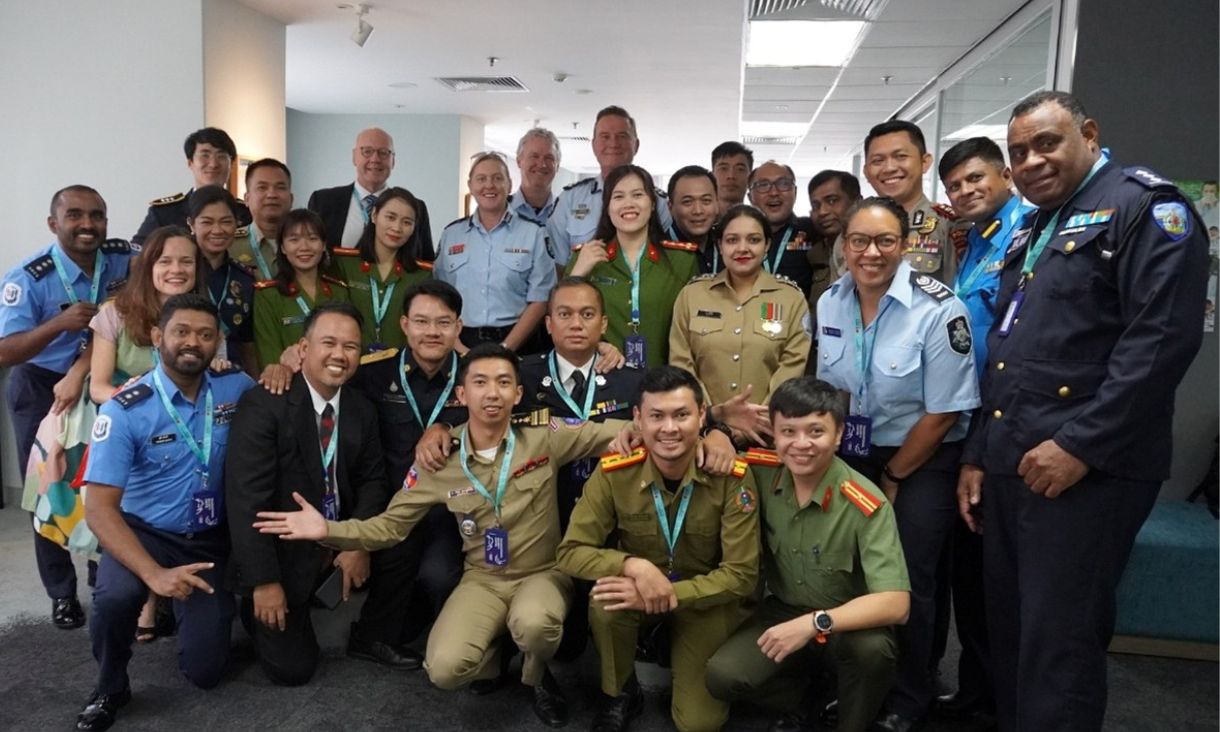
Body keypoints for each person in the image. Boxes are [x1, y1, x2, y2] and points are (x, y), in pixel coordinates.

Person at [958, 91, 1209, 732]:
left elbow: (1157, 345)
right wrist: (980, 456)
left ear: (1089, 134)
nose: (1031, 161)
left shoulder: (1146, 208)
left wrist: (1080, 445)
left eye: (1047, 143)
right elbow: (1011, 353)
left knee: (1059, 641)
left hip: (1086, 469)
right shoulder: (1043, 221)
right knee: (1014, 630)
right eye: (1018, 152)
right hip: (1018, 461)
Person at [253, 344, 638, 728]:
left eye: (504, 383)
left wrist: (684, 429)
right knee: (444, 668)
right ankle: (498, 652)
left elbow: (616, 431)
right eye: (480, 382)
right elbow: (389, 526)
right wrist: (328, 530)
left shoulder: (543, 436)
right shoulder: (438, 460)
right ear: (461, 394)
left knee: (536, 625)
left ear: (518, 394)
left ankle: (537, 678)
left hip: (541, 573)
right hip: (483, 580)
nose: (492, 393)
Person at [816, 197, 980, 732]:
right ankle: (859, 684)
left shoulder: (939, 308)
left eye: (885, 241)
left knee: (907, 574)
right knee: (849, 570)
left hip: (923, 455)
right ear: (845, 246)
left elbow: (945, 411)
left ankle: (911, 696)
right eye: (859, 240)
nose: (871, 252)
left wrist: (893, 476)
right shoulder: (830, 301)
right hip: (853, 452)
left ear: (905, 245)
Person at [76, 293, 256, 732]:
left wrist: (280, 366)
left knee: (205, 674)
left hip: (210, 537)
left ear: (218, 343)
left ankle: (192, 617)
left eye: (205, 334)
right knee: (115, 600)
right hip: (144, 533)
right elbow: (98, 509)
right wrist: (154, 575)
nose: (192, 342)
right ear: (158, 337)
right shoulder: (124, 409)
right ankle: (109, 685)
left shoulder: (236, 387)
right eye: (181, 331)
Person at [555, 365, 760, 732]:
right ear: (637, 419)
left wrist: (669, 593)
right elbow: (570, 551)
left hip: (703, 598)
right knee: (605, 601)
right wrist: (634, 565)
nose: (669, 428)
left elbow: (741, 577)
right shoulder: (616, 471)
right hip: (639, 588)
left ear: (701, 416)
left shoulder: (731, 477)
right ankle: (619, 691)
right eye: (656, 416)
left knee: (699, 724)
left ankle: (680, 654)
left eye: (682, 415)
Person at [226, 301, 417, 683]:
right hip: (283, 549)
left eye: (350, 347)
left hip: (334, 533)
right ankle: (254, 606)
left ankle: (361, 619)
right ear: (303, 349)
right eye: (328, 342)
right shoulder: (265, 405)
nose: (339, 355)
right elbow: (247, 500)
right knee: (293, 671)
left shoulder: (361, 407)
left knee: (404, 540)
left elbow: (373, 481)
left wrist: (356, 542)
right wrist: (264, 583)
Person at [706, 376, 911, 732]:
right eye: (788, 432)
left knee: (873, 652)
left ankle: (851, 720)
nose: (801, 445)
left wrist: (814, 623)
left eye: (816, 432)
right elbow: (689, 448)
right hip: (783, 610)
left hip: (846, 621)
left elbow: (896, 603)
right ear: (775, 434)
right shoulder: (759, 472)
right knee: (722, 677)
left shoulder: (865, 502)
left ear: (839, 434)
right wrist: (716, 429)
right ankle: (807, 698)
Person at [931, 136, 1035, 723]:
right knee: (972, 577)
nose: (966, 191)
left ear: (1005, 174)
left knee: (998, 582)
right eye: (955, 186)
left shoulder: (1028, 234)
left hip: (1003, 427)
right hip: (970, 424)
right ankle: (977, 697)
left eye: (976, 179)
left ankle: (1000, 704)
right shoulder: (978, 240)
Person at [0, 185, 134, 627]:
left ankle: (103, 576)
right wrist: (58, 323)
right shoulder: (28, 277)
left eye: (97, 215)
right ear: (53, 224)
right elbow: (5, 351)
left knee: (102, 483)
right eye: (75, 216)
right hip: (40, 385)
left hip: (98, 378)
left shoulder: (120, 259)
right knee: (48, 490)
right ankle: (60, 592)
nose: (87, 225)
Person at [348, 280, 468, 666]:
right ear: (404, 324)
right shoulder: (372, 375)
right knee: (398, 557)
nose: (432, 332)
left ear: (458, 327)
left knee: (438, 576)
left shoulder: (475, 375)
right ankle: (375, 634)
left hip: (452, 509)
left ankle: (449, 630)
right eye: (421, 321)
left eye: (443, 322)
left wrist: (449, 428)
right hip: (391, 503)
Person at [669, 205, 812, 445]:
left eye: (753, 240)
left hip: (769, 437)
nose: (742, 248)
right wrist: (714, 416)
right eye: (732, 240)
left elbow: (793, 368)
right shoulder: (692, 295)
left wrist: (757, 421)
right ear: (720, 245)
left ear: (767, 245)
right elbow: (681, 364)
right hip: (701, 433)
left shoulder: (791, 299)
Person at [566, 164, 699, 369]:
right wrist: (577, 275)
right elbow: (561, 321)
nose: (628, 204)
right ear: (608, 207)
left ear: (653, 204)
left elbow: (696, 330)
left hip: (665, 379)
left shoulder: (682, 260)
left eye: (637, 195)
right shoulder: (584, 257)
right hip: (604, 375)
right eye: (618, 197)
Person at [435, 152, 555, 353]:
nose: (489, 185)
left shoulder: (533, 233)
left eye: (497, 178)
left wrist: (507, 348)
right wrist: (457, 347)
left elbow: (540, 300)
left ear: (509, 184)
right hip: (461, 340)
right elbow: (440, 297)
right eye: (481, 179)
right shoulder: (451, 234)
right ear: (471, 186)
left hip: (519, 341)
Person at [547, 106, 673, 266]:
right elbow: (558, 266)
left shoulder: (658, 202)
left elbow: (667, 260)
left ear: (636, 145)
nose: (613, 143)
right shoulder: (570, 199)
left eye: (622, 136)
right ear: (593, 145)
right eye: (605, 136)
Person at [862, 120, 970, 285]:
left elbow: (962, 295)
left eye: (901, 157)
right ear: (867, 172)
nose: (889, 168)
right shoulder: (853, 230)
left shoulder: (950, 225)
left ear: (924, 163)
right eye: (878, 161)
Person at [331, 186, 433, 352]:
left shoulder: (421, 275)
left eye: (407, 222)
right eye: (390, 217)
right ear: (374, 216)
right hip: (349, 362)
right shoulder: (344, 264)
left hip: (400, 365)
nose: (397, 228)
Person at [306, 127, 435, 255]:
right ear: (354, 157)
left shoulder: (415, 207)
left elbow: (425, 261)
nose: (375, 159)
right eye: (367, 151)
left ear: (393, 161)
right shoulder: (323, 201)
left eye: (383, 152)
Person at [252, 209, 349, 372]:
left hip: (333, 379)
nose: (304, 247)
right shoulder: (268, 294)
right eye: (294, 240)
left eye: (312, 239)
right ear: (282, 247)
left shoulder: (339, 291)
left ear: (324, 245)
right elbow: (269, 355)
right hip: (287, 383)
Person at [133, 127, 250, 246]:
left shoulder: (246, 213)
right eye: (205, 155)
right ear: (190, 163)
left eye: (221, 156)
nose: (213, 164)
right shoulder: (164, 213)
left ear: (231, 165)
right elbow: (137, 253)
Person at [187, 186, 258, 374]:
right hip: (186, 373)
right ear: (192, 225)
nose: (217, 230)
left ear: (237, 224)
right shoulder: (179, 273)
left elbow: (247, 344)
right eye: (207, 222)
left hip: (231, 375)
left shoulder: (245, 278)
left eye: (226, 222)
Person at [747, 161, 824, 297]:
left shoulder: (815, 230)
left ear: (795, 192)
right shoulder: (737, 236)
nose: (774, 192)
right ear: (750, 197)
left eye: (783, 184)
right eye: (763, 185)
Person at [228, 158, 293, 279]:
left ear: (291, 199)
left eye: (280, 187)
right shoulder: (229, 244)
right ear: (247, 199)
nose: (272, 194)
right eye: (262, 188)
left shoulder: (307, 244)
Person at [808, 169, 862, 279]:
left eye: (832, 201)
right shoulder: (813, 255)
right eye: (815, 206)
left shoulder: (871, 252)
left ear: (858, 202)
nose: (822, 212)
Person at [666, 165, 721, 273]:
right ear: (670, 207)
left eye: (706, 201)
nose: (698, 211)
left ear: (717, 204)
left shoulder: (729, 246)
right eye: (687, 202)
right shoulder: (656, 253)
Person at [509, 127, 561, 223]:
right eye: (534, 156)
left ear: (557, 165)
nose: (542, 164)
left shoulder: (567, 213)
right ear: (519, 161)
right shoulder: (499, 212)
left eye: (549, 158)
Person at [711, 140, 754, 212]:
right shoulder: (699, 220)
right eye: (723, 168)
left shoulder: (757, 222)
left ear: (750, 177)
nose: (731, 176)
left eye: (740, 169)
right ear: (712, 175)